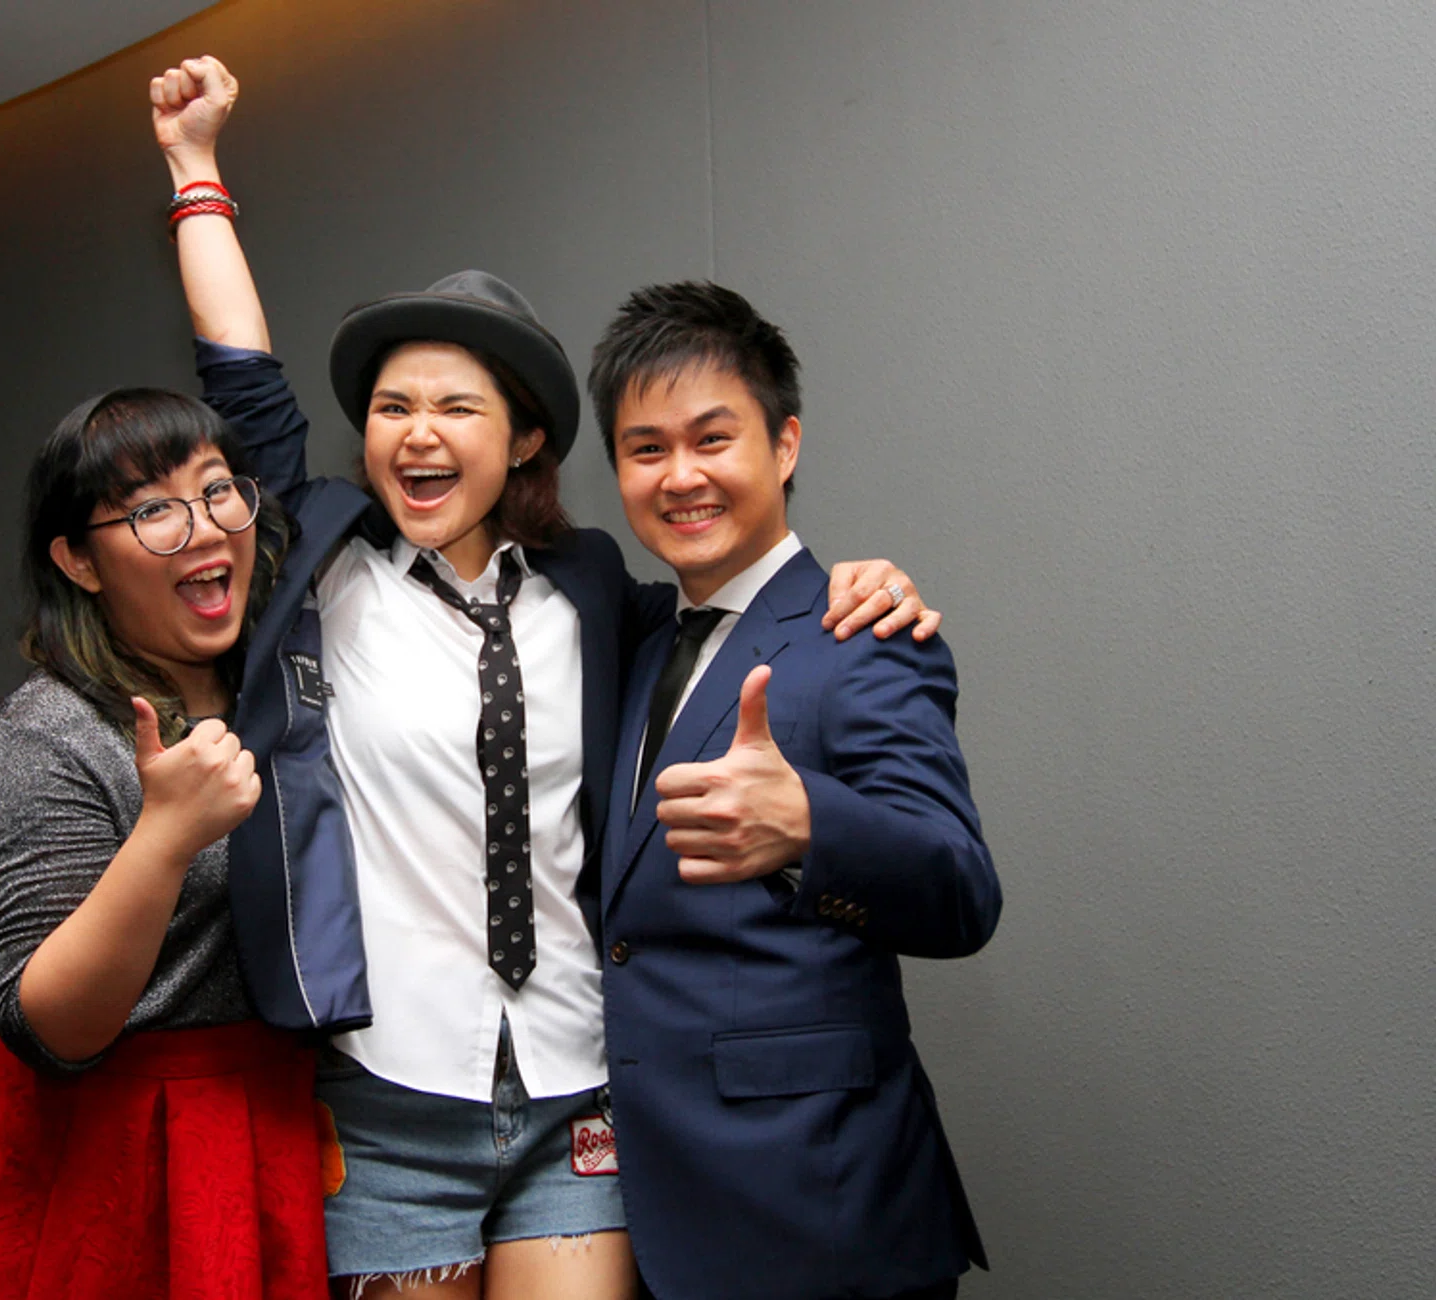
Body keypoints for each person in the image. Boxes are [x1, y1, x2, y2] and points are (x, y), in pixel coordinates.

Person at [150, 57, 942, 1300]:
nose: (417, 431)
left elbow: (734, 607)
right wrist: (196, 169)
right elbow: (242, 381)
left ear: (519, 436)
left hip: (583, 1086)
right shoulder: (316, 573)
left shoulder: (592, 594)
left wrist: (858, 577)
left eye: (455, 405)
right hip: (390, 1097)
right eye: (393, 406)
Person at [0, 389, 359, 1300]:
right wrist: (164, 838)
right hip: (101, 1158)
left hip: (265, 1131)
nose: (204, 528)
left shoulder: (284, 696)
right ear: (79, 561)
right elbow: (50, 1026)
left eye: (218, 491)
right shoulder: (40, 741)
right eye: (150, 511)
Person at [590, 282, 1002, 1300]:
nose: (680, 475)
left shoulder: (861, 635)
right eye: (646, 450)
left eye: (712, 438)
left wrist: (809, 823)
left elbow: (961, 888)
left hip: (817, 1213)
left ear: (784, 444)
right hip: (647, 1211)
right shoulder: (636, 635)